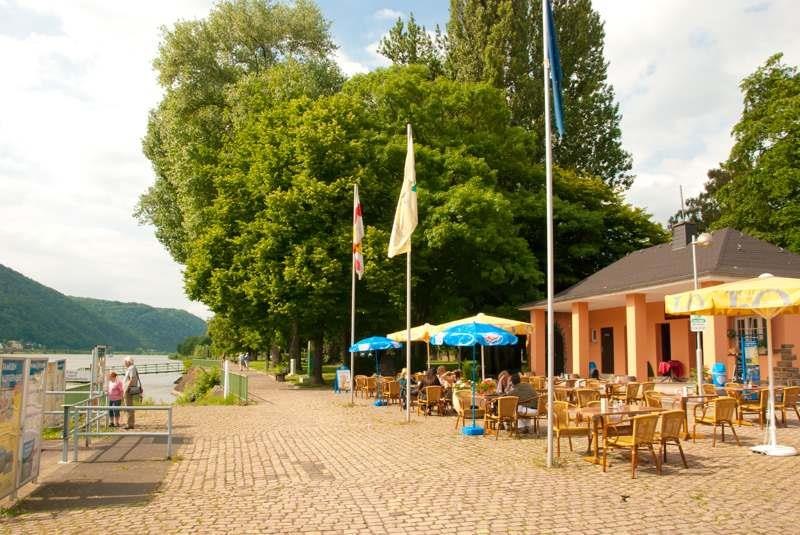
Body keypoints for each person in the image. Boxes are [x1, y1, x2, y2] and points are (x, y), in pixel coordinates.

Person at [123, 357, 141, 430]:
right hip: (128, 389)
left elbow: (132, 379)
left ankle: (129, 424)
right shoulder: (131, 368)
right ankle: (130, 423)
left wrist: (126, 388)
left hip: (128, 390)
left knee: (128, 407)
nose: (124, 363)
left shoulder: (131, 368)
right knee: (129, 407)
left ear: (128, 362)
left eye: (125, 361)